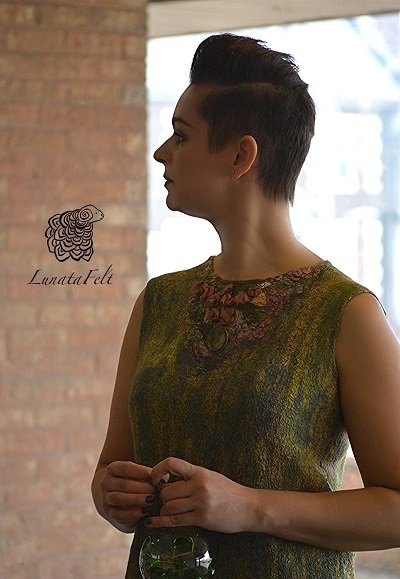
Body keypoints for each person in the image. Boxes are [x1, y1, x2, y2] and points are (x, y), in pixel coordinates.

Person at [91, 33, 400, 578]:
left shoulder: (346, 313)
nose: (162, 153)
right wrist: (112, 492)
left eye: (181, 135)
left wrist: (251, 507)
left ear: (241, 155)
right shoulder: (159, 302)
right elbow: (110, 469)